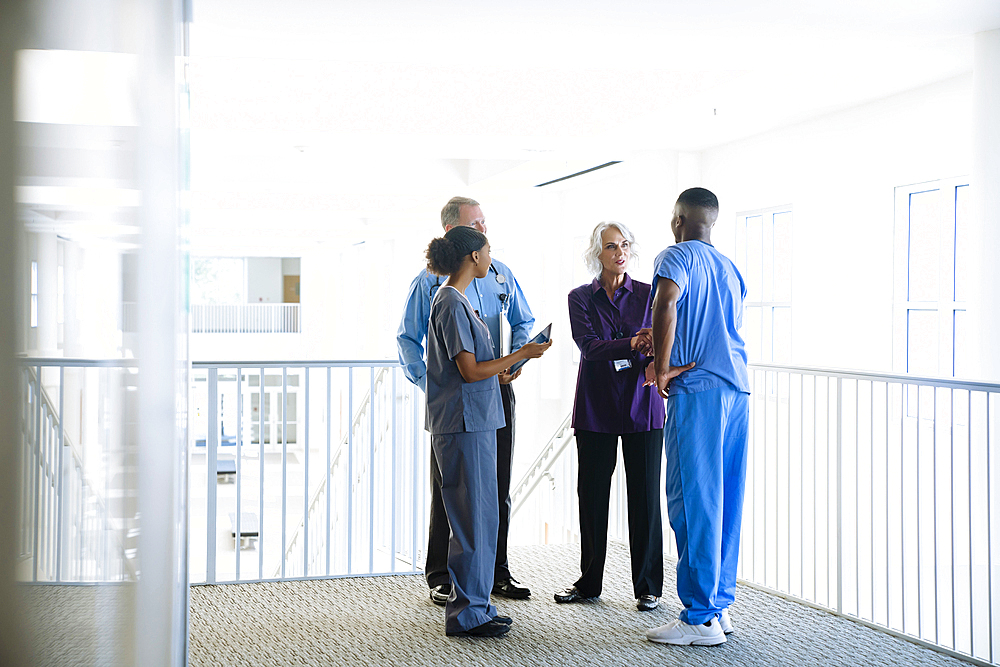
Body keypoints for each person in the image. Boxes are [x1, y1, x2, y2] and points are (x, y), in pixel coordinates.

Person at [397, 196, 536, 606]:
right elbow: (409, 341)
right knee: (453, 490)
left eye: (485, 223)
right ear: (455, 236)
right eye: (476, 225)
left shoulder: (500, 273)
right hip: (458, 402)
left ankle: (494, 571)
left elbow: (522, 322)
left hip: (496, 391)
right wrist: (435, 386)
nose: (485, 231)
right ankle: (443, 575)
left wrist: (520, 357)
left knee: (496, 487)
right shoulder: (435, 287)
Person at [423, 226, 552, 637]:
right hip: (462, 424)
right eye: (488, 252)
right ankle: (466, 614)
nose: (492, 259)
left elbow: (476, 371)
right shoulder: (450, 303)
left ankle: (477, 604)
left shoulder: (458, 302)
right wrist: (521, 353)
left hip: (476, 419)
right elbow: (468, 370)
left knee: (482, 515)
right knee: (469, 518)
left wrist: (504, 372)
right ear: (473, 258)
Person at [643, 187, 749, 646]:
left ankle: (700, 618)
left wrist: (662, 368)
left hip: (698, 392)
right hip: (736, 389)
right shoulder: (730, 268)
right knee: (725, 500)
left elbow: (665, 305)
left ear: (680, 218)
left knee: (692, 500)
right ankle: (719, 607)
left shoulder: (675, 256)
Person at [554, 221, 665, 612]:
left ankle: (649, 587)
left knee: (646, 499)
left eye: (625, 245)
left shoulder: (651, 294)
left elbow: (660, 343)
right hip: (596, 407)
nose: (620, 252)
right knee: (593, 496)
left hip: (643, 404)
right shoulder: (580, 298)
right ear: (596, 254)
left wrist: (652, 358)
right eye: (611, 246)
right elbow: (589, 346)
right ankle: (589, 584)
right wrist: (634, 342)